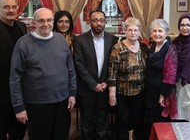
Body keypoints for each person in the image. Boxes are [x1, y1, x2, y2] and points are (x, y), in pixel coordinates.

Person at [9, 8, 76, 140]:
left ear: (53, 21)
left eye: (49, 20)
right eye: (41, 21)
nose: (46, 24)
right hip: (36, 104)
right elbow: (15, 78)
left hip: (62, 101)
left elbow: (70, 70)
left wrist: (72, 93)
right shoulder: (23, 44)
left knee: (61, 136)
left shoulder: (61, 40)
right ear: (34, 22)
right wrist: (19, 107)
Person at [73, 9, 118, 140]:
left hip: (105, 88)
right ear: (89, 21)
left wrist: (107, 82)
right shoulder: (80, 40)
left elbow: (113, 64)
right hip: (87, 89)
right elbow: (79, 65)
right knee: (86, 123)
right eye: (95, 20)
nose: (98, 23)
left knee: (103, 123)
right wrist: (93, 85)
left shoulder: (113, 39)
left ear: (105, 22)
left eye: (101, 20)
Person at [108, 17, 147, 140]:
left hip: (140, 92)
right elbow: (112, 73)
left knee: (137, 121)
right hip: (122, 93)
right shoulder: (117, 48)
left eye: (136, 30)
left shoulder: (144, 48)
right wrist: (112, 94)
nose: (133, 33)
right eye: (130, 30)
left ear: (140, 32)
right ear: (125, 31)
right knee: (122, 122)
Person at [145, 19, 178, 137]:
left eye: (160, 31)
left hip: (163, 94)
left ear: (166, 32)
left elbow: (171, 75)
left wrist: (163, 95)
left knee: (162, 127)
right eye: (154, 31)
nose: (157, 34)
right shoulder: (153, 46)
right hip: (150, 93)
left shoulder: (170, 48)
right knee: (151, 125)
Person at [0, 0, 27, 140]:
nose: (11, 10)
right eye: (6, 7)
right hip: (2, 90)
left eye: (13, 7)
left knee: (19, 129)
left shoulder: (22, 26)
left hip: (19, 90)